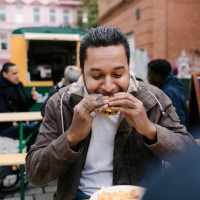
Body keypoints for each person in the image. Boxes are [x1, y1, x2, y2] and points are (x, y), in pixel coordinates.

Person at [25, 25, 196, 200]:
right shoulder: (60, 103)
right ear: (82, 73)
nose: (108, 87)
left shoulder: (153, 98)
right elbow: (35, 174)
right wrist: (72, 136)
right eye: (97, 76)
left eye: (118, 74)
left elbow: (190, 154)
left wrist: (149, 129)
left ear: (129, 69)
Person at [0, 62, 41, 151]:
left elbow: (24, 105)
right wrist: (19, 120)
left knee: (41, 129)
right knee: (35, 133)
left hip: (22, 122)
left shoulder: (18, 85)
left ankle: (29, 158)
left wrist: (33, 99)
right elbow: (3, 111)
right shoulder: (1, 88)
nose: (17, 76)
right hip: (6, 126)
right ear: (4, 74)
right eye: (14, 74)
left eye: (18, 73)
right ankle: (29, 159)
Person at [147, 59, 188, 126]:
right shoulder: (173, 85)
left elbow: (178, 121)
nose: (148, 79)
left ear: (157, 77)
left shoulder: (169, 93)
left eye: (149, 75)